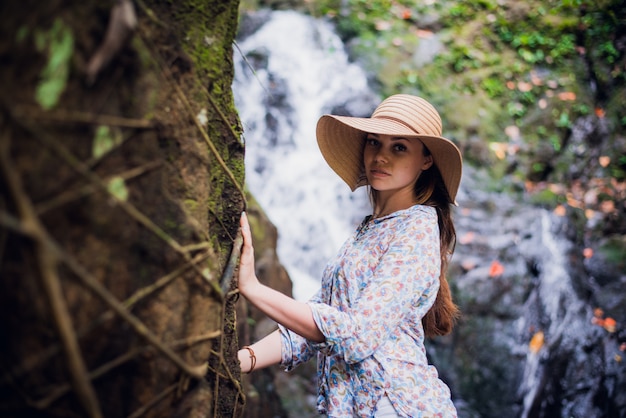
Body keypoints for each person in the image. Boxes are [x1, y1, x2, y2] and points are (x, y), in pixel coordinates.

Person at [237, 94, 462, 417]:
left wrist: (253, 288)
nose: (381, 156)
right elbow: (316, 322)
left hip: (396, 406)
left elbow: (356, 335)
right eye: (374, 143)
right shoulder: (370, 230)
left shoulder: (416, 229)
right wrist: (242, 360)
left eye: (399, 147)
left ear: (426, 160)